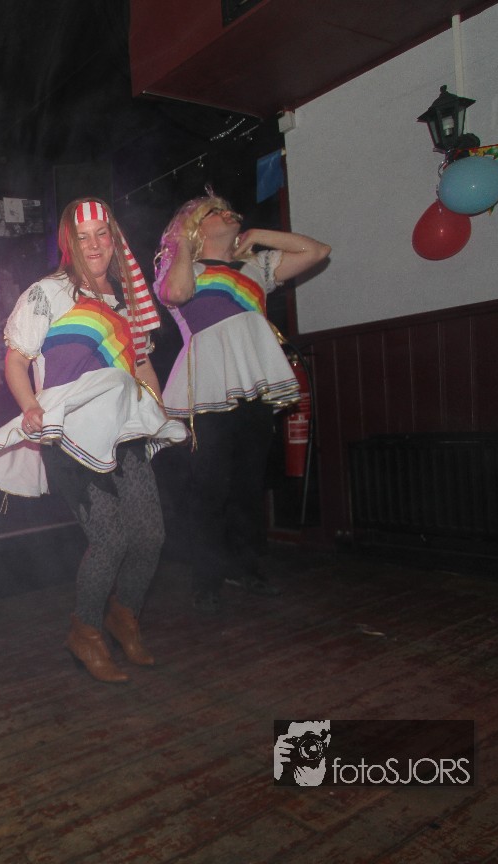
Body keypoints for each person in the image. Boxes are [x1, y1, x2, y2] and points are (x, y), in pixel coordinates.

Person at [0, 198, 188, 683]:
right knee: (110, 538)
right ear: (69, 242)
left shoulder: (128, 302)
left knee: (150, 534)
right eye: (82, 237)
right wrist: (30, 406)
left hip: (123, 433)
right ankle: (86, 631)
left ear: (114, 239)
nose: (94, 245)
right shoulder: (46, 293)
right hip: (68, 434)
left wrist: (160, 416)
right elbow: (15, 361)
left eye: (101, 234)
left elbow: (142, 366)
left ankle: (125, 616)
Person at [153, 193, 330, 613]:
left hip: (254, 385)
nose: (226, 212)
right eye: (213, 212)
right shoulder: (184, 269)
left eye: (227, 207)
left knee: (248, 485)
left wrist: (257, 235)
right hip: (208, 388)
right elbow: (177, 292)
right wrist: (181, 244)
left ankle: (245, 567)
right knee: (209, 487)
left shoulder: (256, 267)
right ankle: (207, 578)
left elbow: (318, 251)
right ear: (196, 227)